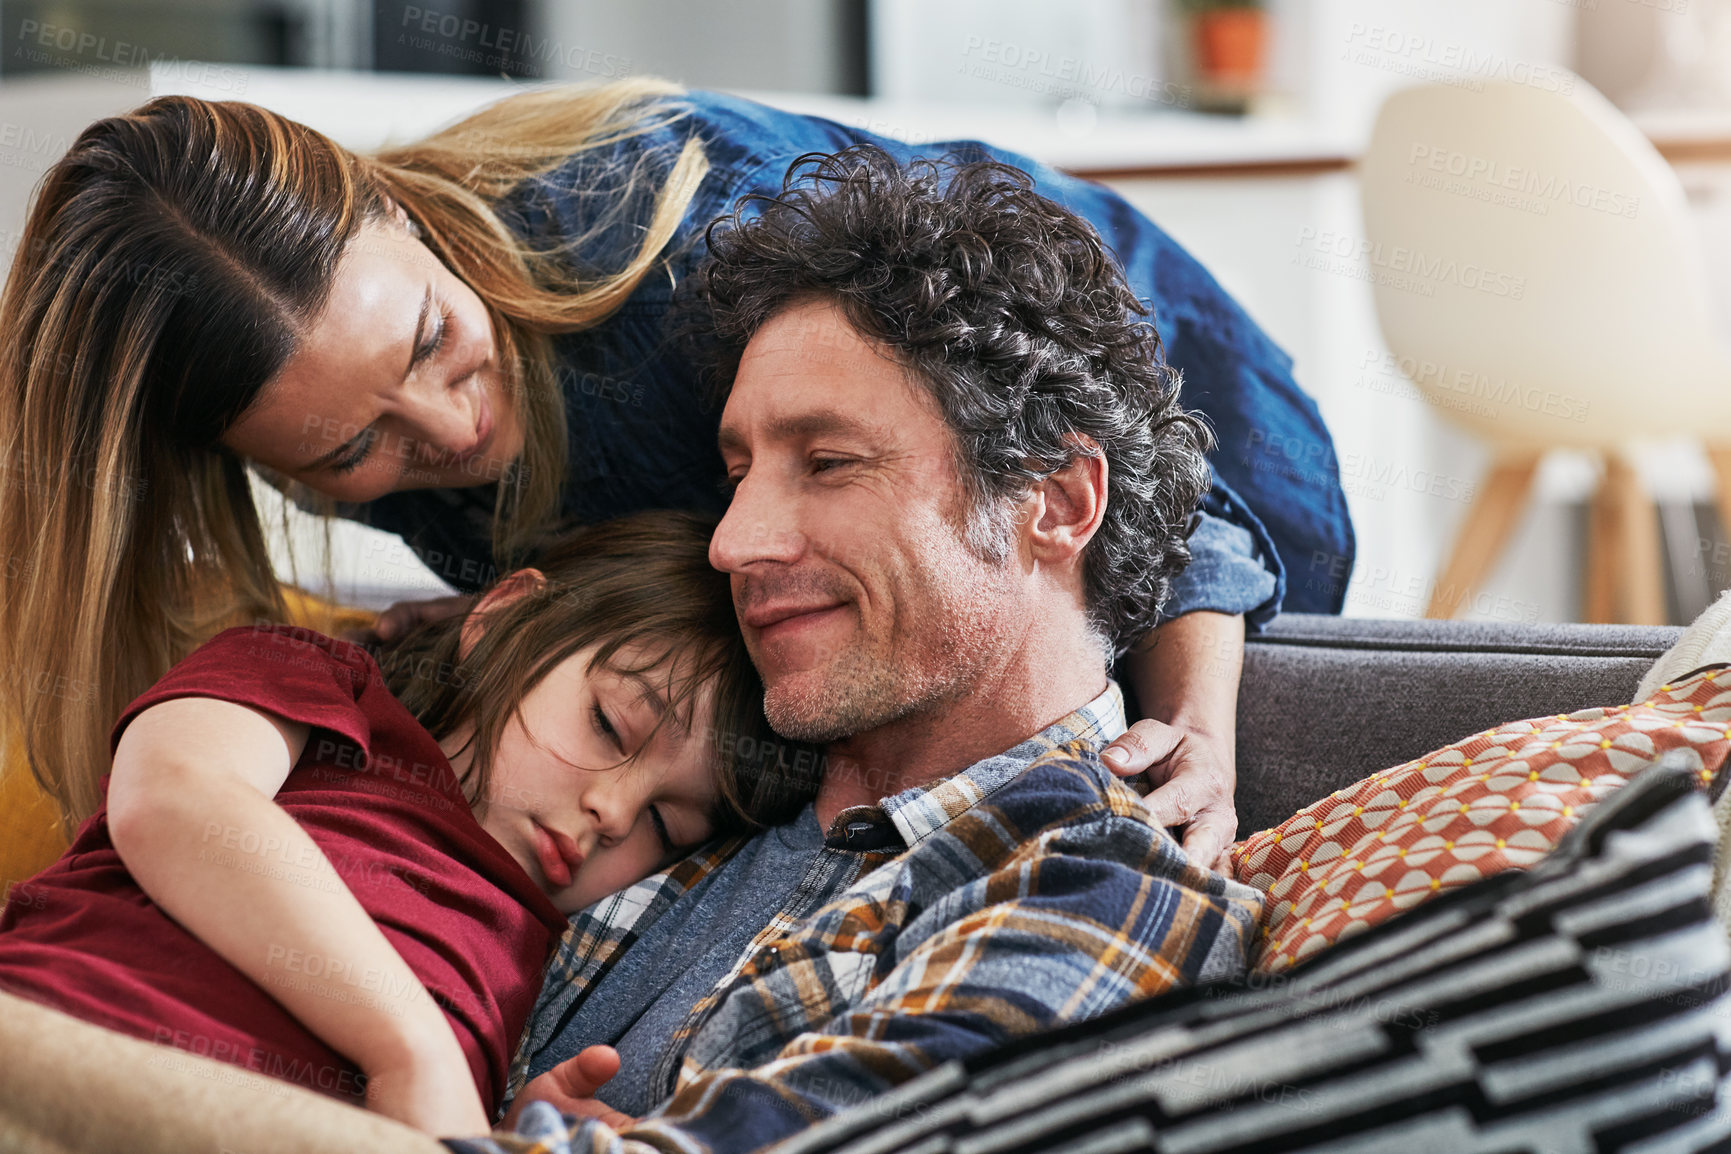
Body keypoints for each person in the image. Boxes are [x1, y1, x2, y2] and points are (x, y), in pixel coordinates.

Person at [0, 78, 1352, 874]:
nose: (449, 431)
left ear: (397, 210)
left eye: (431, 342)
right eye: (357, 450)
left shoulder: (688, 241)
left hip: (1191, 427)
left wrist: (1203, 751)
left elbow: (1158, 508)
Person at [483, 145, 1268, 1154]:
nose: (732, 541)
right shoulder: (678, 831)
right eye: (738, 472)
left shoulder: (1104, 888)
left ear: (1058, 502)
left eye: (828, 462)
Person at [0, 510, 813, 1139]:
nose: (613, 811)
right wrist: (410, 1047)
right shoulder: (326, 687)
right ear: (499, 616)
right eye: (609, 724)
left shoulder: (556, 961)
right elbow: (177, 797)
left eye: (665, 827)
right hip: (72, 1037)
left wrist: (506, 1126)